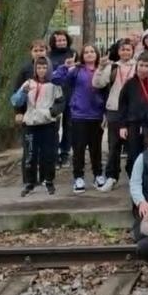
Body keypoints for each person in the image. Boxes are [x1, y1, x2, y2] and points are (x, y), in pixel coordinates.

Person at [52, 44, 105, 192]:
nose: (89, 54)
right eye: (86, 52)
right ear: (82, 55)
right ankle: (78, 177)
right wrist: (65, 67)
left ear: (97, 54)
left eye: (92, 51)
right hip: (79, 115)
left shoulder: (101, 70)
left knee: (96, 148)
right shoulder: (76, 70)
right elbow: (56, 79)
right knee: (79, 148)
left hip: (97, 115)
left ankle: (98, 175)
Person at [10, 56, 64, 196]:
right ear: (35, 69)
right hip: (30, 125)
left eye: (44, 68)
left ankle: (49, 180)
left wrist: (51, 112)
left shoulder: (54, 85)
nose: (41, 71)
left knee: (48, 154)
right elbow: (16, 101)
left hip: (48, 124)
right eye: (39, 68)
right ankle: (30, 182)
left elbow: (60, 103)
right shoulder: (28, 83)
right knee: (30, 154)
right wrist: (23, 92)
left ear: (49, 69)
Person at [92, 38, 137, 192]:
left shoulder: (137, 66)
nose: (125, 52)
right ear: (118, 51)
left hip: (132, 110)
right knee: (114, 145)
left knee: (133, 146)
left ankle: (133, 176)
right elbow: (97, 84)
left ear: (132, 51)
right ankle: (112, 176)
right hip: (114, 109)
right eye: (123, 49)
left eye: (128, 49)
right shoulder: (112, 67)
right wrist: (100, 67)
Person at [48, 30, 77, 167]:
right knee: (54, 125)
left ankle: (65, 152)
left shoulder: (73, 53)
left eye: (63, 40)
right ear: (54, 42)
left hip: (71, 94)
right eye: (58, 40)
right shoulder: (49, 56)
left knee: (69, 126)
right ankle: (54, 154)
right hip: (54, 95)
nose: (61, 43)